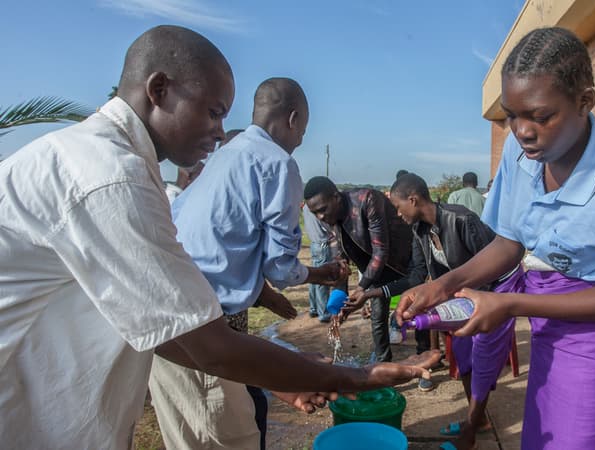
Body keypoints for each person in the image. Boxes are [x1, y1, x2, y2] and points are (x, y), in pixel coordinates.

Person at [0, 25, 433, 449]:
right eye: (213, 112)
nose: (221, 131)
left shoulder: (118, 160)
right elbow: (206, 341)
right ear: (159, 89)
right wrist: (352, 376)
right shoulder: (111, 177)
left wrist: (285, 371)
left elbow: (165, 328)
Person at [396, 27, 595, 450]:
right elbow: (510, 243)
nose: (522, 131)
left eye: (541, 117)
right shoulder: (520, 154)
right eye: (511, 115)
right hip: (550, 334)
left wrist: (511, 304)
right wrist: (443, 284)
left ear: (585, 102)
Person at [149, 78, 349, 449]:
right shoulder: (277, 164)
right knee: (227, 438)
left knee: (197, 435)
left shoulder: (223, 156)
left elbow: (220, 244)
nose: (301, 139)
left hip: (176, 322)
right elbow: (280, 267)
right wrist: (319, 275)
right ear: (292, 119)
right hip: (206, 327)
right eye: (303, 130)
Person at [384, 173, 522, 447]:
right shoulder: (421, 230)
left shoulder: (461, 219)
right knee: (462, 354)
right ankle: (478, 419)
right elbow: (417, 275)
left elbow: (494, 265)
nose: (398, 215)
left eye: (399, 208)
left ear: (413, 199)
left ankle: (469, 435)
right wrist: (379, 295)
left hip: (496, 292)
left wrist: (477, 305)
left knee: (481, 358)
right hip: (463, 298)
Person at [304, 176, 427, 363]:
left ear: (336, 197)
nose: (320, 217)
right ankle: (383, 362)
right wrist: (341, 303)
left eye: (322, 209)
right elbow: (341, 261)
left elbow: (381, 250)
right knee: (377, 318)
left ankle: (423, 356)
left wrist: (362, 288)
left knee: (415, 309)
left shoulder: (366, 199)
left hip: (402, 260)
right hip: (375, 270)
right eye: (315, 213)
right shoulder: (331, 218)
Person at [303, 202, 334, 322]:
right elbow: (324, 224)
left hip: (314, 243)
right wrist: (332, 231)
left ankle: (314, 308)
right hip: (322, 243)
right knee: (323, 278)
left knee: (313, 277)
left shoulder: (306, 206)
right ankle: (324, 313)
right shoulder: (316, 206)